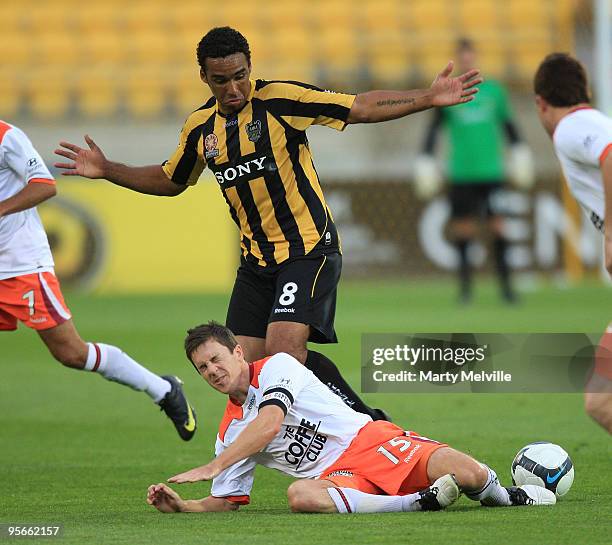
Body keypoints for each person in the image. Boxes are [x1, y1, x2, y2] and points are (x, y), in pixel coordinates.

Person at [54, 26, 481, 422]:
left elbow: (359, 107)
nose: (234, 87)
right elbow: (170, 180)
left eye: (240, 75)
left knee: (282, 356)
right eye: (222, 80)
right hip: (256, 263)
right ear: (204, 76)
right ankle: (354, 422)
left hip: (308, 249)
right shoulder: (201, 128)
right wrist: (108, 168)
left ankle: (364, 426)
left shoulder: (280, 100)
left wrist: (427, 98)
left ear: (250, 67)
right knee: (243, 375)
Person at [146, 321, 556, 514]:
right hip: (338, 477)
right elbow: (226, 500)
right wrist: (184, 507)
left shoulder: (277, 367)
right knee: (301, 496)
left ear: (237, 352)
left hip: (370, 441)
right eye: (202, 368)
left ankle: (508, 497)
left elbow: (270, 422)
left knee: (468, 475)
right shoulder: (229, 432)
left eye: (216, 359)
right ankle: (417, 504)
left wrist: (216, 463)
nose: (212, 371)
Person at [0, 120, 197, 441]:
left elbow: (44, 185)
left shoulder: (6, 137)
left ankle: (163, 389)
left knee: (71, 353)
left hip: (20, 267)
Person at [416, 38, 534, 304]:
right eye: (463, 57)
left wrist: (519, 151)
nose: (467, 61)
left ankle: (507, 289)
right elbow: (434, 129)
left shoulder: (494, 92)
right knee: (463, 230)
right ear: (458, 60)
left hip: (492, 172)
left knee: (499, 227)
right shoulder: (448, 93)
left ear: (476, 58)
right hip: (461, 172)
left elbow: (508, 125)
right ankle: (466, 289)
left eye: (470, 56)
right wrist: (426, 158)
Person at [534, 52, 612, 434]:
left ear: (540, 103)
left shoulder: (569, 128)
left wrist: (611, 232)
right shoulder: (590, 120)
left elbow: (611, 151)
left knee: (602, 400)